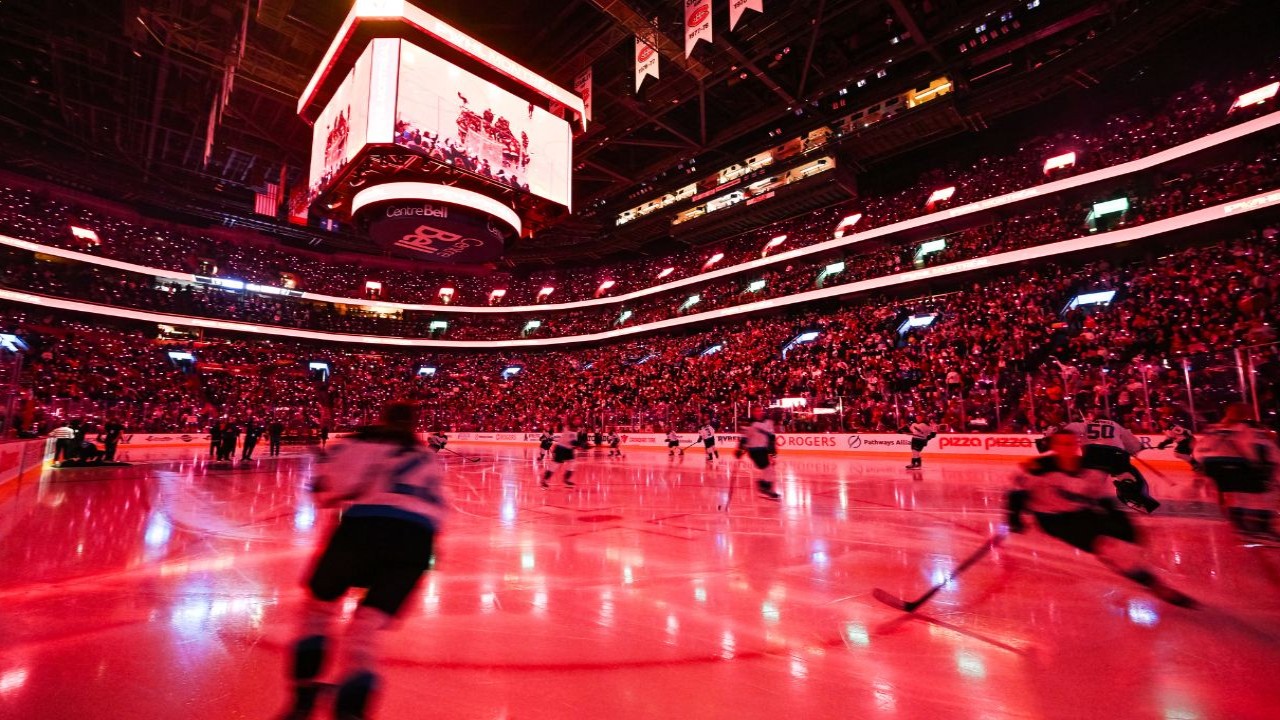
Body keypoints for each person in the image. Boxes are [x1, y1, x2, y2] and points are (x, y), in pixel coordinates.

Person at [281, 401, 446, 720]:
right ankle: (352, 713)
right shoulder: (426, 455)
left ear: (382, 417)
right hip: (418, 543)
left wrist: (328, 478)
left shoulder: (365, 440)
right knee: (366, 633)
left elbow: (329, 491)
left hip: (367, 528)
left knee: (317, 611)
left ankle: (303, 700)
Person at [1006, 430, 1195, 606]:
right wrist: (1015, 518)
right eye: (1062, 444)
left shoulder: (1090, 469)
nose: (1067, 448)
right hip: (1053, 519)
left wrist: (1117, 518)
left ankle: (1131, 566)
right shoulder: (1038, 468)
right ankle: (1153, 584)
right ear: (1054, 447)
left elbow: (1101, 497)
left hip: (1081, 512)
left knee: (1124, 535)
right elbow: (1016, 493)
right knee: (1106, 547)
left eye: (1071, 443)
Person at [1193, 404, 1279, 539]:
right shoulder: (1250, 430)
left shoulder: (1213, 429)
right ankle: (1263, 529)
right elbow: (1260, 452)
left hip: (1217, 471)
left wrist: (1206, 471)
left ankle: (1240, 527)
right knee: (1267, 494)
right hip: (1239, 468)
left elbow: (1198, 451)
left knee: (1238, 496)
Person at [1061, 413, 1159, 513]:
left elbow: (1070, 429)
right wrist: (1134, 449)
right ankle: (1135, 498)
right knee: (1126, 476)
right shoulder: (1116, 425)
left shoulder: (1087, 424)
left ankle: (1077, 498)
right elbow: (1133, 443)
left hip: (1092, 454)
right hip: (1115, 454)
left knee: (1088, 479)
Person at [738, 407, 781, 500]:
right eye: (756, 411)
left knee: (770, 469)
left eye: (760, 410)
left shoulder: (768, 422)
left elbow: (771, 437)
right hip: (754, 450)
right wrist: (740, 449)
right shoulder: (749, 423)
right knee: (768, 468)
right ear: (753, 413)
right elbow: (745, 438)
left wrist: (772, 450)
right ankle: (764, 488)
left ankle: (765, 488)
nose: (759, 412)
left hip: (764, 449)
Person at [541, 418, 583, 489]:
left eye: (579, 419)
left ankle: (566, 480)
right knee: (555, 465)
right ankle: (544, 480)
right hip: (561, 448)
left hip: (568, 449)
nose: (578, 420)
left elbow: (573, 441)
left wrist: (580, 445)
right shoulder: (570, 428)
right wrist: (582, 444)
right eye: (576, 419)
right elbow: (572, 441)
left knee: (572, 464)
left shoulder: (575, 428)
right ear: (572, 420)